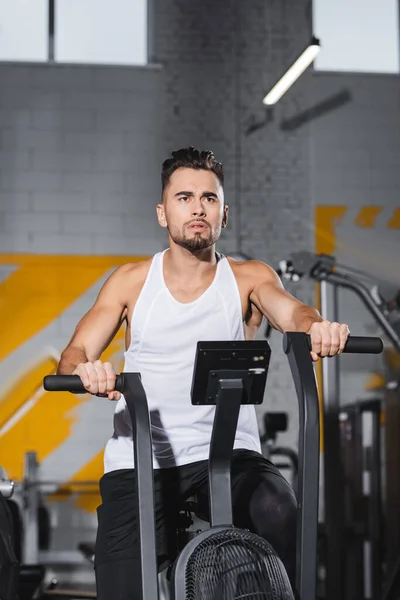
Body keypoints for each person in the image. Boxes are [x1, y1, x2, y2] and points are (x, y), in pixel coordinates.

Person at [58, 147, 350, 599]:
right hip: (142, 461)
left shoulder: (248, 278)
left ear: (224, 214)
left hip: (230, 455)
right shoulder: (131, 281)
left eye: (209, 199)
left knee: (281, 513)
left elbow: (293, 313)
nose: (197, 208)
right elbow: (74, 353)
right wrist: (88, 371)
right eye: (184, 197)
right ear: (162, 212)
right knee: (120, 587)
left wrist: (318, 328)